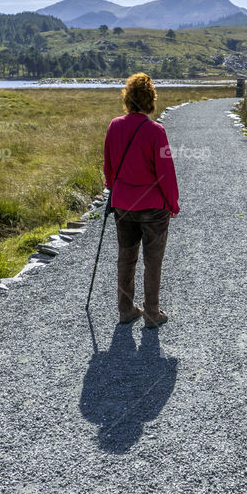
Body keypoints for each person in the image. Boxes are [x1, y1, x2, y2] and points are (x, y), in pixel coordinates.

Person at [103, 73, 180, 328]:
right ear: (150, 100)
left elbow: (109, 167)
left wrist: (113, 189)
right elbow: (166, 172)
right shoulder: (156, 131)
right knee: (152, 261)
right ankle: (152, 313)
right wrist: (173, 203)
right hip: (153, 207)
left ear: (127, 98)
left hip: (123, 205)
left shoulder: (114, 126)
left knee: (126, 258)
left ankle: (126, 310)